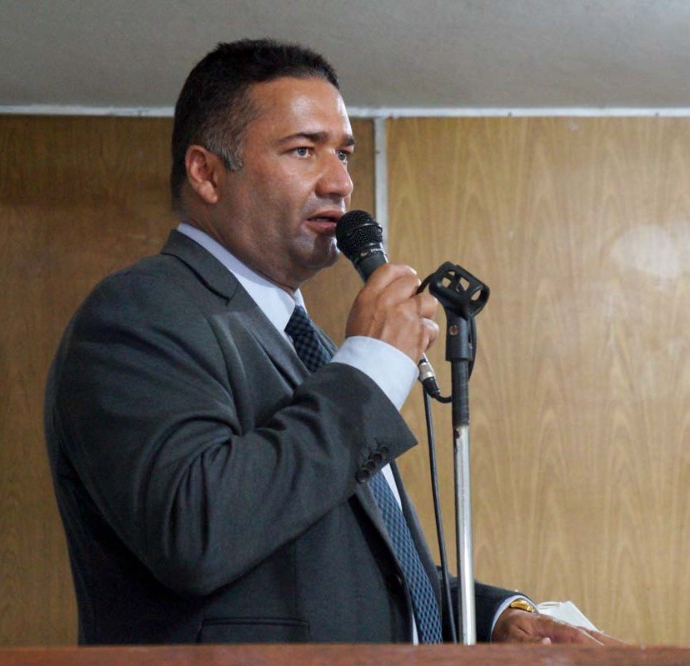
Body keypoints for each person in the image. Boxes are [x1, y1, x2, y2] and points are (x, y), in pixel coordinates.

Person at [45, 38, 617, 646]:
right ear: (206, 173)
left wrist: (499, 618)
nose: (341, 182)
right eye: (303, 150)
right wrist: (370, 368)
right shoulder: (140, 310)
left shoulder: (304, 344)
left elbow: (359, 576)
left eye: (342, 153)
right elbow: (196, 531)